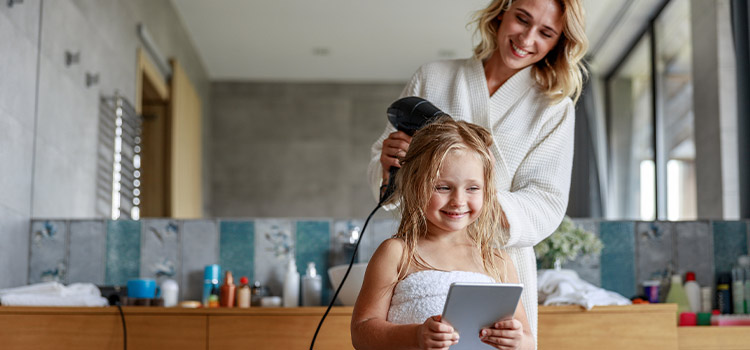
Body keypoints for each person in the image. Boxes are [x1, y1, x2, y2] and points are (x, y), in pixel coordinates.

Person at [367, 0, 588, 344]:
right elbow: (393, 182)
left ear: (559, 41)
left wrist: (473, 200)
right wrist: (389, 163)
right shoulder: (434, 77)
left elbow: (547, 200)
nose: (527, 38)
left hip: (497, 259)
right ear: (501, 14)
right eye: (522, 19)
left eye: (546, 32)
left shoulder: (552, 105)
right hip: (424, 249)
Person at [353, 117, 534, 350]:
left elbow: (528, 341)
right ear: (416, 184)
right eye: (443, 187)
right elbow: (362, 332)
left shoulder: (497, 262)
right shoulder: (397, 253)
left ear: (487, 191)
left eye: (472, 188)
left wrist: (518, 342)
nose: (458, 200)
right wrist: (416, 336)